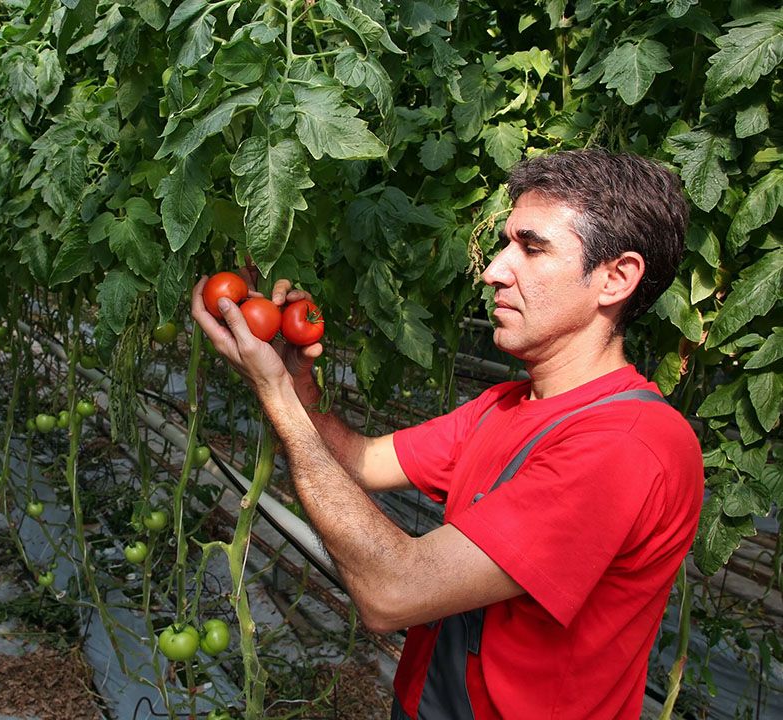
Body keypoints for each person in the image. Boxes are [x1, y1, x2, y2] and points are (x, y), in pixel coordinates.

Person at [190, 149, 704, 719]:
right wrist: (295, 383)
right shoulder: (506, 407)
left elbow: (392, 592)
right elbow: (360, 462)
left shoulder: (627, 445)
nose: (494, 270)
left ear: (616, 278)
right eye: (506, 243)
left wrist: (279, 402)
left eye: (531, 248)